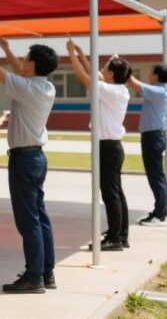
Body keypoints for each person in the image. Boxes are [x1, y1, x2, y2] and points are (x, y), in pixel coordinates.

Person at [0, 29, 59, 294]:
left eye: (25, 58)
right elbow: (20, 73)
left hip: (24, 159)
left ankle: (34, 277)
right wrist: (9, 51)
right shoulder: (44, 86)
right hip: (36, 157)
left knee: (29, 221)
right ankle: (46, 273)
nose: (21, 62)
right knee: (40, 217)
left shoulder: (29, 88)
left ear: (33, 64)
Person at [67, 41, 132, 251]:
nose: (102, 70)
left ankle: (114, 238)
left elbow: (84, 77)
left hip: (107, 147)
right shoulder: (117, 90)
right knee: (116, 192)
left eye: (106, 67)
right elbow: (95, 75)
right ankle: (120, 235)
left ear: (112, 74)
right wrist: (82, 55)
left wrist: (71, 55)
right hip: (112, 146)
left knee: (110, 193)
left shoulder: (110, 91)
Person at [128, 63, 167, 227]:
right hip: (153, 136)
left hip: (153, 138)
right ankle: (159, 211)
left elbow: (133, 83)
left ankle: (160, 215)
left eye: (151, 71)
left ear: (156, 75)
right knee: (156, 176)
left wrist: (122, 66)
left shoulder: (157, 92)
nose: (148, 73)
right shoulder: (159, 91)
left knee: (156, 177)